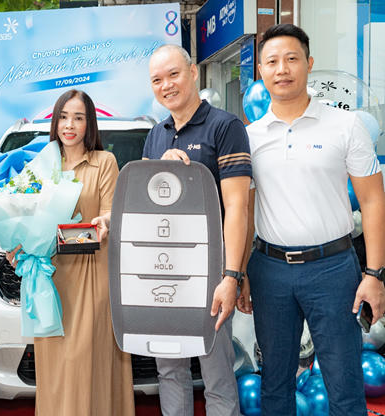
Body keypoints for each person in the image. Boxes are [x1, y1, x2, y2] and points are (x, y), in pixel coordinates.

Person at [241, 24, 385, 416]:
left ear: (309, 63)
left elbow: (373, 200)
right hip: (270, 270)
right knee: (275, 384)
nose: (282, 69)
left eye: (292, 59)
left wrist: (374, 274)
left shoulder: (345, 125)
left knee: (344, 385)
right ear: (261, 71)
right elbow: (243, 213)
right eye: (272, 61)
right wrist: (240, 272)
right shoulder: (249, 137)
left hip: (333, 270)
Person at [8, 89, 135, 415]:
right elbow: (20, 217)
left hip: (91, 276)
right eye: (63, 117)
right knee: (55, 368)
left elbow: (110, 212)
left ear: (89, 123)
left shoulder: (104, 162)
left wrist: (105, 222)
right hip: (47, 282)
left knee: (87, 363)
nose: (69, 125)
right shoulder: (40, 166)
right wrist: (16, 244)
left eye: (78, 118)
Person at [142, 44, 251, 416]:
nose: (167, 85)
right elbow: (146, 207)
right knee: (169, 369)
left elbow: (237, 207)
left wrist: (231, 276)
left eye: (173, 74)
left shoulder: (225, 126)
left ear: (192, 73)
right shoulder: (155, 136)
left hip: (209, 271)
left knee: (216, 370)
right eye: (157, 80)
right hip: (163, 268)